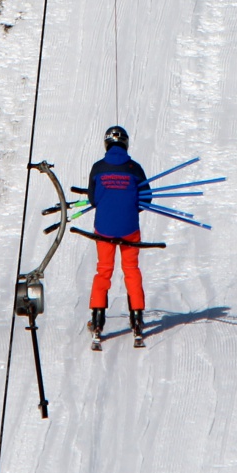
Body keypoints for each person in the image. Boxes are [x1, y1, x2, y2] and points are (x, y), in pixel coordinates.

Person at [86, 125, 149, 345]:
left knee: (103, 270)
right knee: (131, 269)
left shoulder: (97, 168)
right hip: (130, 230)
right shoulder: (135, 168)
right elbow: (147, 199)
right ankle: (137, 319)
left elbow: (93, 200)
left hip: (104, 229)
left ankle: (97, 320)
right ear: (126, 144)